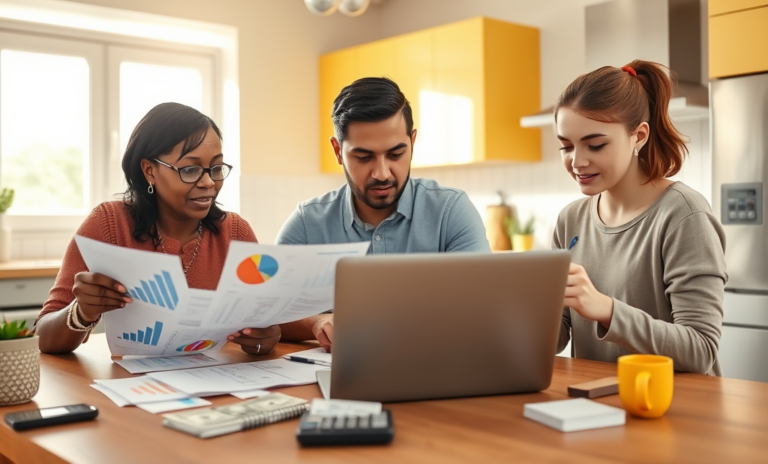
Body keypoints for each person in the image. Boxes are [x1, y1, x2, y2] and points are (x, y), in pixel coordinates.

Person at [36, 103, 280, 355]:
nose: (208, 182)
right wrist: (82, 311)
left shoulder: (236, 233)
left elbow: (264, 327)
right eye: (190, 169)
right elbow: (43, 337)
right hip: (134, 387)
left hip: (218, 384)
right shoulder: (109, 224)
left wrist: (264, 339)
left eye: (216, 168)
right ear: (149, 170)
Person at [276, 77, 491, 351]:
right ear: (337, 151)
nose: (381, 173)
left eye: (395, 154)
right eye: (364, 157)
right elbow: (271, 313)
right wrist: (317, 322)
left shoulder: (451, 211)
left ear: (412, 142)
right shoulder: (307, 222)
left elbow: (482, 310)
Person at [552, 60, 728, 375]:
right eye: (566, 146)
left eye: (595, 144)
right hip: (594, 402)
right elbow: (559, 332)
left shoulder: (684, 215)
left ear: (639, 136)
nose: (577, 161)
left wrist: (606, 310)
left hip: (674, 411)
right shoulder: (570, 220)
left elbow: (700, 349)